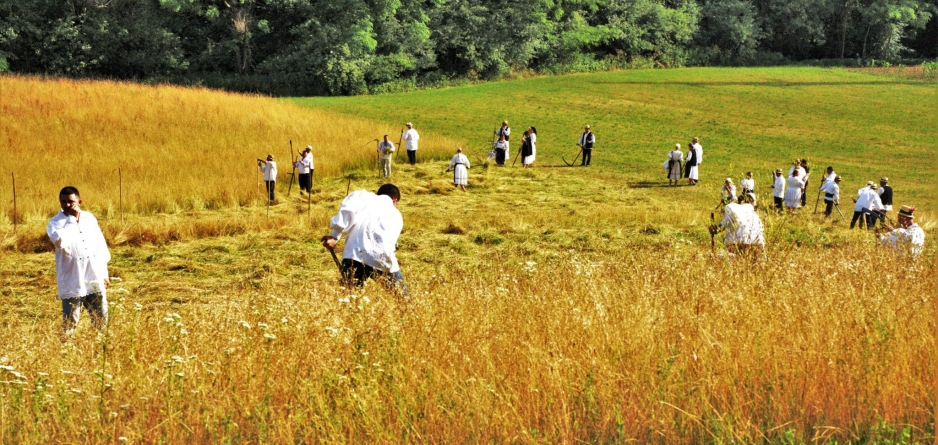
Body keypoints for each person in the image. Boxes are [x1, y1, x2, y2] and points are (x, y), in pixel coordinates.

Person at [321, 184, 409, 297]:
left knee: (350, 298)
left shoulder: (362, 196)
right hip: (380, 258)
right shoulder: (396, 214)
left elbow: (348, 210)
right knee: (404, 299)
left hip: (353, 255)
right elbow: (390, 242)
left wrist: (334, 236)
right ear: (395, 200)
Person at [47, 186, 112, 336]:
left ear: (79, 201)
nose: (67, 205)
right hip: (72, 279)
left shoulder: (89, 218)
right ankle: (66, 351)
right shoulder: (55, 222)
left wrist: (104, 273)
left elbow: (99, 246)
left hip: (93, 276)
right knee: (70, 321)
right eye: (63, 201)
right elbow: (60, 242)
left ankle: (99, 347)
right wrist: (72, 219)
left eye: (70, 201)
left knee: (101, 318)